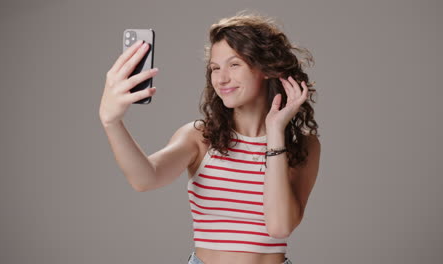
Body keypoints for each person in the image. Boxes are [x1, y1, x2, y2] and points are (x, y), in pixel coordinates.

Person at [99, 11, 320, 264]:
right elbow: (145, 178)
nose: (221, 78)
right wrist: (112, 122)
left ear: (266, 68)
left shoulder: (302, 145)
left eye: (234, 64)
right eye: (215, 68)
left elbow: (280, 227)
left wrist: (275, 132)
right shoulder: (201, 137)